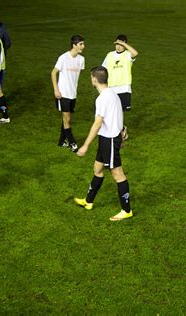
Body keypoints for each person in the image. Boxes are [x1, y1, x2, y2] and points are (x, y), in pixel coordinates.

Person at [74, 66, 132, 221]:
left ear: (94, 79)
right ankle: (88, 201)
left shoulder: (102, 98)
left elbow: (97, 123)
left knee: (117, 174)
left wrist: (85, 145)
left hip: (110, 139)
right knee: (97, 169)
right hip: (106, 138)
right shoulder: (112, 93)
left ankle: (126, 210)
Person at [51, 35, 85, 152]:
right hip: (63, 93)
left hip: (73, 94)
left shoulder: (81, 60)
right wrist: (56, 89)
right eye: (81, 44)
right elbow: (53, 73)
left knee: (66, 118)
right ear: (74, 45)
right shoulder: (63, 58)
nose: (83, 46)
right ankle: (72, 143)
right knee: (67, 118)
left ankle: (61, 141)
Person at [101, 34, 138, 140]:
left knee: (120, 111)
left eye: (120, 44)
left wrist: (125, 45)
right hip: (112, 87)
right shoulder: (109, 55)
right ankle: (121, 130)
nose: (118, 46)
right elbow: (103, 69)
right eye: (117, 44)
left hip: (124, 87)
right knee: (112, 111)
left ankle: (120, 131)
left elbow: (135, 53)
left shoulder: (127, 55)